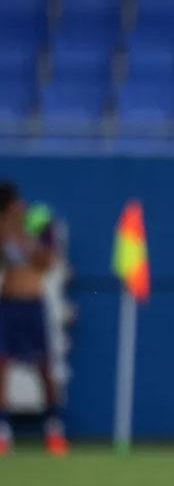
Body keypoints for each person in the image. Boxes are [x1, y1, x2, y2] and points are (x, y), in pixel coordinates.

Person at [0, 182, 68, 456]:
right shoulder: (4, 230)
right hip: (7, 305)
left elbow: (47, 261)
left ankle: (54, 428)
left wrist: (24, 239)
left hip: (33, 305)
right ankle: (3, 432)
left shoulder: (38, 223)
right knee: (2, 365)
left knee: (44, 368)